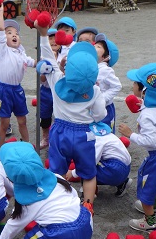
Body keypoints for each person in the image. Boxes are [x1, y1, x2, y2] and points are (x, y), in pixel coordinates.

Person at [35, 21, 106, 215]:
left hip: (60, 131)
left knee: (58, 171)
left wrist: (43, 34)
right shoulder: (95, 90)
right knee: (88, 173)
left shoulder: (57, 79)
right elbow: (101, 114)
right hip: (85, 134)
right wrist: (90, 117)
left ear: (68, 68)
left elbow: (48, 57)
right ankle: (88, 205)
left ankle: (59, 202)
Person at [0, 142, 93, 239]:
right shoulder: (57, 178)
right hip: (85, 224)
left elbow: (12, 226)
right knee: (68, 220)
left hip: (61, 235)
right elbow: (74, 197)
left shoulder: (27, 203)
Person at [118, 63, 156, 232]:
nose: (132, 85)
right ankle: (155, 207)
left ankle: (150, 220)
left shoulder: (147, 115)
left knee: (146, 188)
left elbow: (149, 140)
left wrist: (130, 134)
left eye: (135, 83)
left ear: (144, 89)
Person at [0, 3, 36, 148]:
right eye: (9, 32)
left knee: (22, 120)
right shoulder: (3, 50)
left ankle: (27, 145)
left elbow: (33, 62)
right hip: (5, 90)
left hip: (18, 90)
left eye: (16, 33)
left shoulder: (21, 53)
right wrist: (0, 12)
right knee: (4, 123)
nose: (14, 35)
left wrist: (45, 63)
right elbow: (0, 30)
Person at [67, 132, 132, 197]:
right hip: (124, 167)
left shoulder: (96, 140)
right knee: (91, 162)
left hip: (114, 169)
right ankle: (121, 183)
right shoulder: (104, 133)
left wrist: (73, 173)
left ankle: (87, 196)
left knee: (85, 168)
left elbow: (89, 163)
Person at [93, 33, 122, 132]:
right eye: (94, 45)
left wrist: (103, 98)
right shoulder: (89, 66)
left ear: (106, 56)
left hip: (105, 108)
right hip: (91, 107)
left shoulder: (105, 70)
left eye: (98, 46)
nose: (94, 46)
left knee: (105, 132)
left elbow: (117, 86)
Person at [38, 28, 61, 149]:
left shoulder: (64, 55)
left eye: (55, 38)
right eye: (50, 38)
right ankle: (45, 137)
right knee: (45, 116)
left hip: (59, 91)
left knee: (59, 116)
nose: (53, 41)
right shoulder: (43, 57)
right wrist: (44, 70)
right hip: (46, 91)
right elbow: (42, 79)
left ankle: (57, 139)